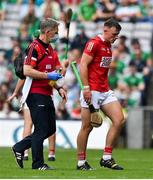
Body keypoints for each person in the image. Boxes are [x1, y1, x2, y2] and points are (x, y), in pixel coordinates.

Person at [11, 18, 67, 170]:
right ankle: (38, 164)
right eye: (56, 32)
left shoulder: (50, 49)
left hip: (46, 93)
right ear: (47, 32)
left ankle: (19, 147)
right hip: (35, 94)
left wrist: (58, 88)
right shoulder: (34, 47)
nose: (57, 34)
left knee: (50, 129)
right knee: (42, 129)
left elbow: (56, 72)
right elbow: (27, 70)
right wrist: (49, 76)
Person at [76, 18, 125, 170]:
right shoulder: (94, 43)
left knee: (119, 119)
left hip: (104, 89)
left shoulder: (108, 45)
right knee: (87, 127)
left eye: (117, 35)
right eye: (114, 34)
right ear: (106, 30)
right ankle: (81, 162)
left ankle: (106, 158)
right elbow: (83, 64)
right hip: (92, 90)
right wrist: (86, 88)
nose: (116, 37)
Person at [7, 79, 57, 161]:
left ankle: (22, 150)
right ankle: (48, 155)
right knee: (38, 128)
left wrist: (58, 88)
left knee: (46, 129)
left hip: (40, 94)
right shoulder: (33, 66)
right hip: (35, 94)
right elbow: (25, 74)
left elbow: (48, 80)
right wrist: (16, 92)